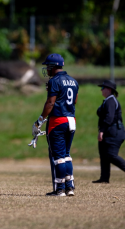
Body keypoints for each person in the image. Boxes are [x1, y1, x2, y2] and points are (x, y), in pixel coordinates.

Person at [32, 53, 78, 197]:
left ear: (53, 67)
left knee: (58, 157)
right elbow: (74, 101)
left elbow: (50, 103)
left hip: (58, 121)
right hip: (71, 120)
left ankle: (60, 189)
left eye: (47, 66)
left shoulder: (54, 81)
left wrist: (39, 120)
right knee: (66, 155)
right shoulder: (74, 81)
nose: (47, 69)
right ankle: (69, 187)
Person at [92, 80, 125, 183]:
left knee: (111, 155)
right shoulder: (107, 100)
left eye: (103, 88)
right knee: (104, 154)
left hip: (114, 132)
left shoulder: (111, 100)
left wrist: (101, 131)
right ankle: (104, 178)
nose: (101, 90)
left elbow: (109, 118)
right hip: (109, 132)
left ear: (109, 89)